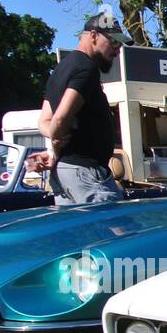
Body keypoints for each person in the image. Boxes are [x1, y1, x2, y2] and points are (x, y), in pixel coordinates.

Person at [39, 12, 130, 205]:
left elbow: (43, 122)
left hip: (65, 173)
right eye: (113, 42)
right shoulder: (86, 69)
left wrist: (56, 145)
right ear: (94, 35)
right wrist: (56, 138)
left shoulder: (59, 70)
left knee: (79, 234)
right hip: (85, 175)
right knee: (121, 232)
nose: (117, 50)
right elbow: (59, 119)